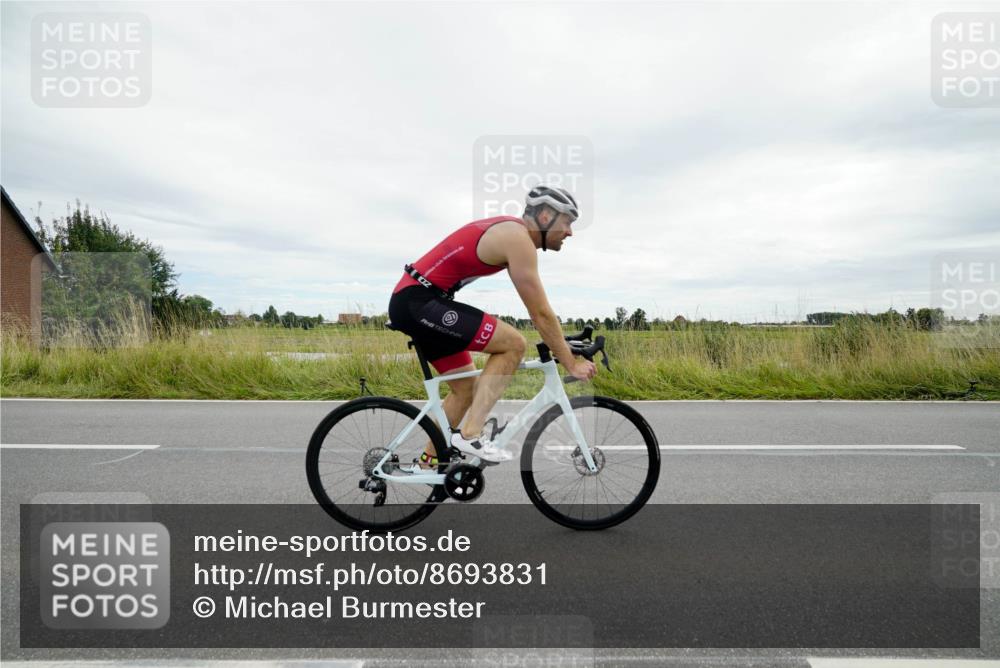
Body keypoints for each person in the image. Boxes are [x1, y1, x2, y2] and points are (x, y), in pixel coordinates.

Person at [387, 185, 598, 465]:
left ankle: (429, 463)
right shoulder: (518, 238)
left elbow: (542, 316)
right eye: (568, 222)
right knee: (513, 344)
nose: (570, 232)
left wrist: (562, 344)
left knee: (466, 388)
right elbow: (540, 313)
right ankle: (471, 434)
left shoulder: (512, 232)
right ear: (546, 216)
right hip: (419, 302)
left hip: (418, 301)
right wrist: (570, 363)